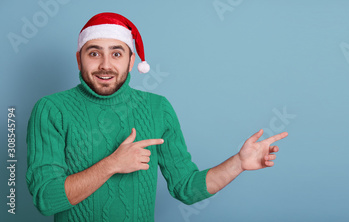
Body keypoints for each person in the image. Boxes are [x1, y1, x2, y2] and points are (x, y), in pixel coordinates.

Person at [26, 12, 288, 222]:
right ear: (79, 60)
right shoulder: (51, 109)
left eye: (116, 53)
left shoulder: (157, 108)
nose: (105, 64)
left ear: (131, 62)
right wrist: (112, 164)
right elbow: (46, 200)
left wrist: (238, 163)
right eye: (94, 53)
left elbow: (186, 187)